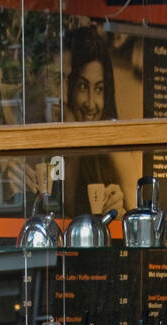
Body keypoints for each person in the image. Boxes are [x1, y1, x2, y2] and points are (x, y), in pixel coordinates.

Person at [64, 25, 125, 218]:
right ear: (70, 88)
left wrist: (123, 213)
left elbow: (141, 214)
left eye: (99, 89)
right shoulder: (57, 148)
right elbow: (65, 212)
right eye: (83, 86)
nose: (91, 103)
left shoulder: (115, 143)